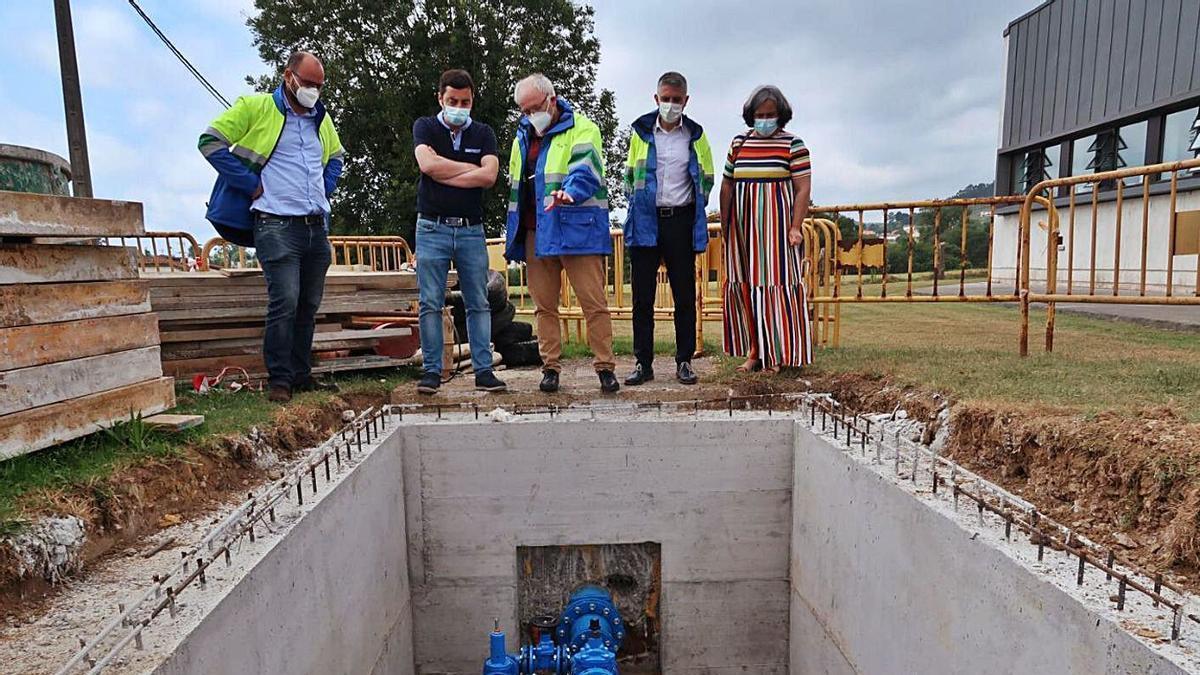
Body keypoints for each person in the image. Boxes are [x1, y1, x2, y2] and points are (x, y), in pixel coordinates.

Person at [199, 51, 345, 403]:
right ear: (289, 76)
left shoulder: (320, 119)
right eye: (308, 83)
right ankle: (280, 379)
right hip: (275, 223)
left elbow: (337, 157)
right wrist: (248, 183)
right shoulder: (256, 107)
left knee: (308, 304)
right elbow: (209, 141)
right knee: (285, 301)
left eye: (319, 86)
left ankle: (300, 374)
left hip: (315, 225)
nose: (313, 91)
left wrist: (324, 188)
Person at [504, 74, 619, 394]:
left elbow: (587, 167)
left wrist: (570, 192)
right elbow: (518, 186)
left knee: (593, 303)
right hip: (536, 232)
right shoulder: (522, 138)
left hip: (576, 229)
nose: (530, 116)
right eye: (524, 111)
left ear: (552, 100)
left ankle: (605, 367)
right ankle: (550, 367)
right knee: (544, 306)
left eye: (534, 108)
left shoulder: (583, 128)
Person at [411, 69, 507, 395]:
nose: (458, 106)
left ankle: (483, 370)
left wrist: (445, 170)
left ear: (472, 101)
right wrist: (471, 170)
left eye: (465, 101)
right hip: (432, 227)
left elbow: (490, 175)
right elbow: (427, 166)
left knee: (478, 301)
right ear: (440, 98)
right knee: (430, 302)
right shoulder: (424, 126)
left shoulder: (483, 133)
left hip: (470, 230)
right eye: (452, 100)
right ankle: (432, 371)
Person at [622, 71, 714, 386]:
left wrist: (691, 209)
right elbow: (628, 176)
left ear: (686, 101)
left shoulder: (697, 137)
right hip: (646, 219)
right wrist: (639, 203)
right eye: (666, 99)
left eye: (677, 100)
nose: (671, 105)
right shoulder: (641, 134)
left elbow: (708, 178)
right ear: (656, 98)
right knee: (642, 298)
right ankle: (642, 363)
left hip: (681, 220)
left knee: (684, 295)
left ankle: (684, 361)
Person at [719, 85, 813, 373]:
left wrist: (795, 226)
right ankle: (755, 351)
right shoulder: (739, 143)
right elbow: (727, 185)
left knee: (776, 287)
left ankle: (779, 355)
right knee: (747, 289)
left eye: (770, 114)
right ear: (751, 115)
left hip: (776, 229)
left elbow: (802, 188)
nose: (765, 119)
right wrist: (726, 226)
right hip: (743, 230)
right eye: (759, 114)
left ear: (780, 115)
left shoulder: (793, 145)